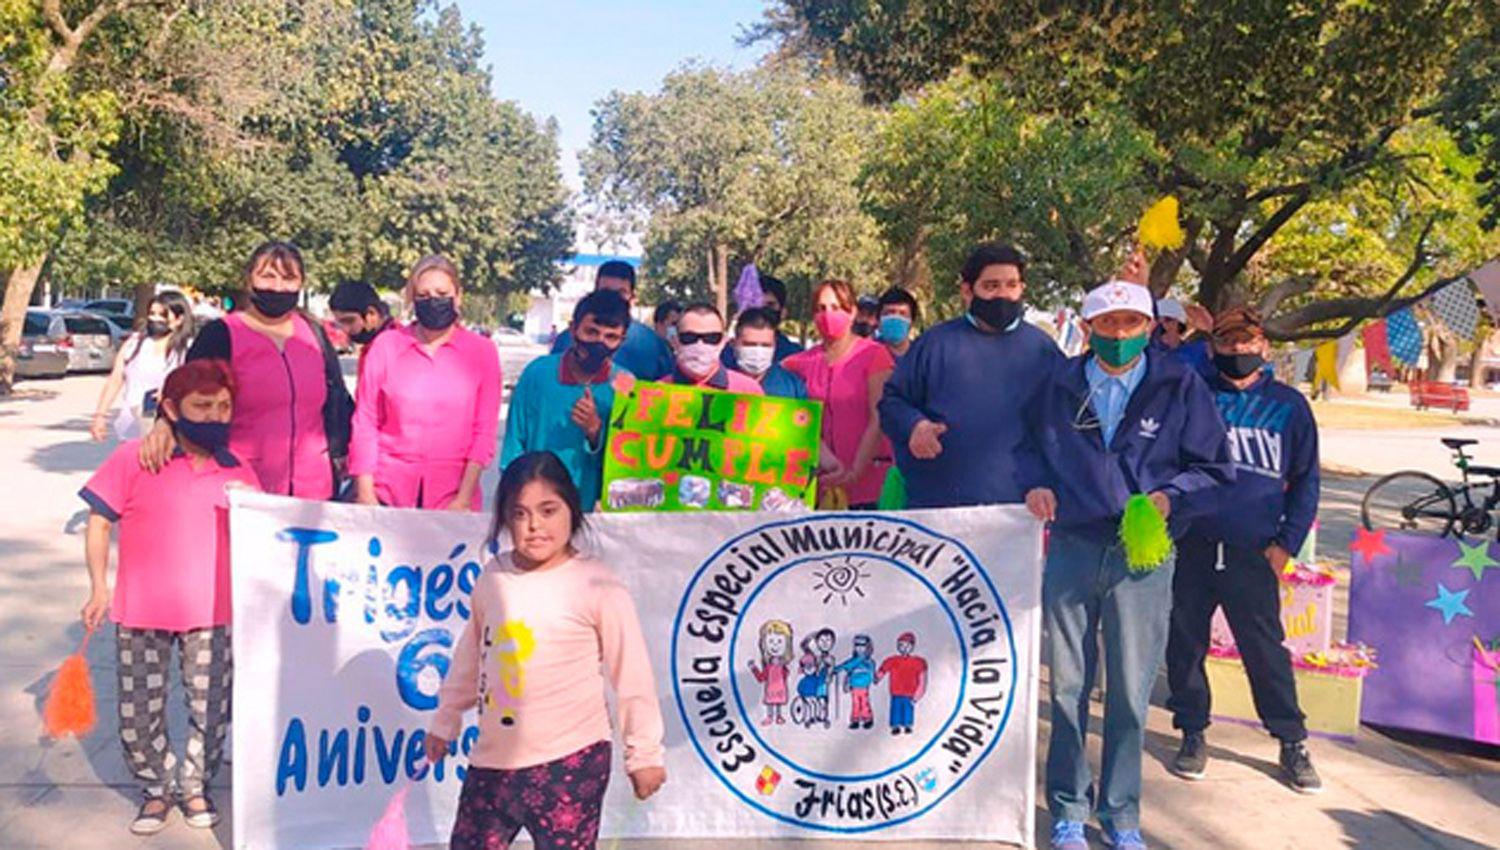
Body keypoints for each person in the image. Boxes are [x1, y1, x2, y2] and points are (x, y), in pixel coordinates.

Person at [1023, 279, 1233, 850]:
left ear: (1149, 328)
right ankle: (1068, 807)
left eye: (1131, 324)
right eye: (1108, 324)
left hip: (1142, 556)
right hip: (1071, 545)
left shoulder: (1178, 385)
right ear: (1087, 329)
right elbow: (1026, 449)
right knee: (1067, 687)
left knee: (1130, 692)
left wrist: (1172, 498)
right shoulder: (1059, 384)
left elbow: (1214, 467)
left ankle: (1121, 815)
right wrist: (1035, 484)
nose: (1120, 335)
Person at [427, 451, 665, 850]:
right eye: (519, 514)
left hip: (571, 762)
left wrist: (644, 755)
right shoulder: (493, 577)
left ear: (571, 509)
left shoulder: (597, 584)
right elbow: (471, 656)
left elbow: (633, 675)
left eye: (548, 510)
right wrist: (446, 720)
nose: (534, 526)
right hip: (493, 761)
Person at [78, 360, 259, 834]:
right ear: (172, 410)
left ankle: (195, 785)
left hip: (213, 611)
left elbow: (265, 535)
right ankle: (156, 789)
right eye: (203, 406)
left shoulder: (239, 469)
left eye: (224, 407)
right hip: (141, 610)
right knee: (139, 711)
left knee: (211, 708)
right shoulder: (136, 458)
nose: (216, 416)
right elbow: (99, 520)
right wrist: (99, 586)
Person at [1166, 306, 1322, 793]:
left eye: (1247, 342)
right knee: (1184, 645)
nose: (1238, 350)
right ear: (1213, 347)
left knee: (1264, 650)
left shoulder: (1289, 406)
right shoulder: (1193, 394)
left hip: (1253, 551)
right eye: (1229, 342)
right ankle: (1192, 731)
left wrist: (1285, 546)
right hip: (1191, 544)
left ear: (1264, 347)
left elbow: (1307, 481)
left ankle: (1291, 739)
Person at [138, 241, 353, 499]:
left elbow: (338, 398)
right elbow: (185, 391)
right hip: (241, 486)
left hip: (314, 490)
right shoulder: (222, 334)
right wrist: (164, 423)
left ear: (301, 283)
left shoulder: (313, 334)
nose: (278, 287)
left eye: (288, 278)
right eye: (267, 276)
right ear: (249, 279)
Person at [880, 243, 1062, 508]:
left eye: (1011, 285)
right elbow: (892, 402)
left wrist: (1045, 482)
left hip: (1018, 513)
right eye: (991, 286)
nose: (1003, 295)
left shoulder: (1043, 351)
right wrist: (914, 425)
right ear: (967, 291)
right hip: (938, 511)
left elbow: (1063, 426)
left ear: (1022, 289)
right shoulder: (934, 345)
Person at [348, 256, 502, 510]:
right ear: (412, 299)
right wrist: (365, 493)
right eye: (423, 295)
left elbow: (484, 431)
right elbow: (365, 421)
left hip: (454, 496)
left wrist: (463, 498)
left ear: (458, 296)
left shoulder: (482, 353)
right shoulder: (386, 347)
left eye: (442, 293)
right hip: (387, 493)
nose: (433, 300)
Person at [503, 289, 631, 510]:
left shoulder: (626, 386)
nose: (599, 343)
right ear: (573, 329)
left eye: (610, 337)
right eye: (591, 332)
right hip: (535, 504)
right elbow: (514, 442)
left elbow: (628, 461)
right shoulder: (537, 373)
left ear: (622, 340)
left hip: (592, 511)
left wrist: (595, 433)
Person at [783, 280, 895, 509]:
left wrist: (854, 472)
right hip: (817, 488)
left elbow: (879, 417)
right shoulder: (799, 363)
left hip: (867, 485)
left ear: (852, 311)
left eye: (836, 308)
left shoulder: (875, 355)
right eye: (821, 309)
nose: (828, 315)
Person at [91, 291, 195, 441]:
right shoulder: (134, 343)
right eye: (152, 313)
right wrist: (100, 416)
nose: (155, 319)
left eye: (162, 315)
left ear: (179, 319)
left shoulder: (188, 349)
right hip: (131, 430)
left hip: (170, 433)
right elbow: (115, 380)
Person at [549, 260, 673, 380]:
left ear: (632, 297)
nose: (612, 298)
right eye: (606, 291)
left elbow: (666, 389)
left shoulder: (653, 345)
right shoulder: (567, 339)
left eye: (621, 292)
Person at [665, 303, 763, 394]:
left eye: (711, 338)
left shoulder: (748, 391)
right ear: (675, 342)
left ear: (723, 342)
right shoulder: (658, 392)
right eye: (689, 337)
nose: (700, 345)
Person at [722, 273, 803, 369]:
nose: (762, 310)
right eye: (755, 304)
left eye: (770, 305)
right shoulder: (724, 355)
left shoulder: (796, 356)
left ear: (783, 313)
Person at [732, 307, 808, 399]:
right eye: (750, 344)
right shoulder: (722, 384)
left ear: (775, 346)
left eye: (766, 345)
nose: (758, 351)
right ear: (734, 343)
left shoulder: (794, 387)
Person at [328, 279, 393, 365]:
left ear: (371, 313)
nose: (345, 329)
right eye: (340, 323)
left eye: (349, 321)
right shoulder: (376, 346)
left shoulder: (388, 347)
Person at [875, 632, 926, 735]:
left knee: (908, 710)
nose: (904, 648)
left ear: (912, 646)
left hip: (909, 693)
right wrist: (877, 678)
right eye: (901, 645)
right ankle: (895, 726)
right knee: (896, 710)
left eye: (907, 645)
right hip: (896, 692)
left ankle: (907, 725)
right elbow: (883, 669)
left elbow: (922, 680)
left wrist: (917, 696)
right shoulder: (893, 660)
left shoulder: (918, 662)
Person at [875, 286, 919, 359]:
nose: (895, 318)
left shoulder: (921, 357)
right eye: (890, 313)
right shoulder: (865, 355)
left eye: (902, 313)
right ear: (878, 320)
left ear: (911, 322)